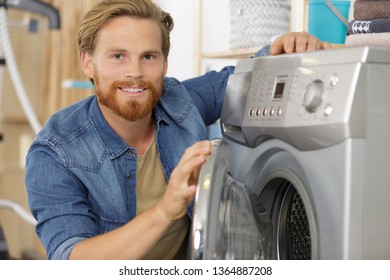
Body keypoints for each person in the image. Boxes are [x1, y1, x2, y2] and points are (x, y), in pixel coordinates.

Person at [25, 0, 331, 260]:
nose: (135, 73)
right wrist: (166, 210)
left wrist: (290, 46)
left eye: (148, 57)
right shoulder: (55, 152)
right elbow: (73, 261)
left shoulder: (180, 102)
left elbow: (244, 77)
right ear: (88, 63)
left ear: (165, 63)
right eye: (118, 56)